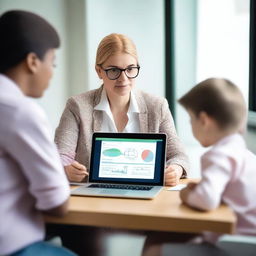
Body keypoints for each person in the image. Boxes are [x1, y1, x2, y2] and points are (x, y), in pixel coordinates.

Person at [55, 33, 189, 186]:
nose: (123, 78)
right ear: (99, 71)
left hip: (145, 195)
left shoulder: (157, 106)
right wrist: (66, 169)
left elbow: (179, 156)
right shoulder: (77, 106)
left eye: (130, 69)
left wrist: (176, 170)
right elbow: (59, 156)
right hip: (94, 197)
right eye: (114, 70)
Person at [142, 78, 256, 256]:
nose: (190, 125)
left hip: (233, 244)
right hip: (248, 242)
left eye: (190, 119)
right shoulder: (244, 153)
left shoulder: (218, 156)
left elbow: (207, 200)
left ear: (204, 120)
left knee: (153, 248)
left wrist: (186, 194)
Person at [0, 10, 77, 256]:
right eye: (52, 62)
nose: (52, 72)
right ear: (33, 62)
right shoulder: (20, 111)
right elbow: (57, 204)